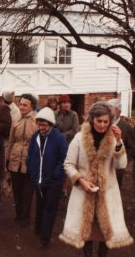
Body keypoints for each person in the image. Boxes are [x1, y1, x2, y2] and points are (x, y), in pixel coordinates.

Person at [59, 102, 133, 257]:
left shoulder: (113, 137)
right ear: (92, 120)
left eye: (106, 122)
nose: (102, 125)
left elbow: (121, 165)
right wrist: (80, 180)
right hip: (84, 191)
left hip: (108, 192)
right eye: (99, 121)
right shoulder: (79, 138)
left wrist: (119, 143)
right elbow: (68, 164)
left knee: (107, 229)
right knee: (88, 230)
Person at [27, 107, 68, 247]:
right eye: (39, 124)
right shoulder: (35, 136)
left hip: (53, 181)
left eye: (44, 125)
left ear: (51, 124)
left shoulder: (59, 138)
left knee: (50, 207)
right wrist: (32, 170)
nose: (41, 127)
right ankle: (39, 230)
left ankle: (45, 238)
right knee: (40, 205)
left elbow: (63, 159)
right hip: (38, 179)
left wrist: (56, 174)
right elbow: (31, 154)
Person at [5, 94, 38, 227]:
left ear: (32, 106)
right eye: (21, 104)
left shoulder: (37, 120)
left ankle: (25, 218)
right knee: (17, 190)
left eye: (25, 105)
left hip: (29, 160)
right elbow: (11, 140)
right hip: (15, 159)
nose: (22, 107)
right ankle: (18, 215)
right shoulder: (16, 118)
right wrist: (8, 158)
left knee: (27, 191)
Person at [107, 98, 135, 186]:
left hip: (117, 167)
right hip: (102, 164)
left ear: (119, 111)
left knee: (115, 189)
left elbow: (132, 148)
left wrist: (122, 159)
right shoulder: (103, 124)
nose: (108, 112)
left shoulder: (127, 128)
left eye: (111, 109)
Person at [55, 94, 80, 197]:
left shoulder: (74, 115)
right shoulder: (55, 114)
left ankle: (64, 188)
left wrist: (62, 136)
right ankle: (56, 186)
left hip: (68, 144)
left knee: (67, 166)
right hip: (56, 144)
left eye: (68, 102)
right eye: (64, 102)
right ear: (60, 104)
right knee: (57, 164)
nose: (66, 104)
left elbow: (75, 130)